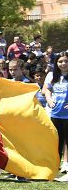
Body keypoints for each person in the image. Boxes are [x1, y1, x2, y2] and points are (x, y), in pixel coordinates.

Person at [42, 52, 68, 181]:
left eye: (65, 61)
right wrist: (49, 99)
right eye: (60, 61)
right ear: (56, 63)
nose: (63, 64)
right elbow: (47, 90)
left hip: (67, 116)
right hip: (55, 114)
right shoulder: (53, 76)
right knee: (56, 143)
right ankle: (54, 169)